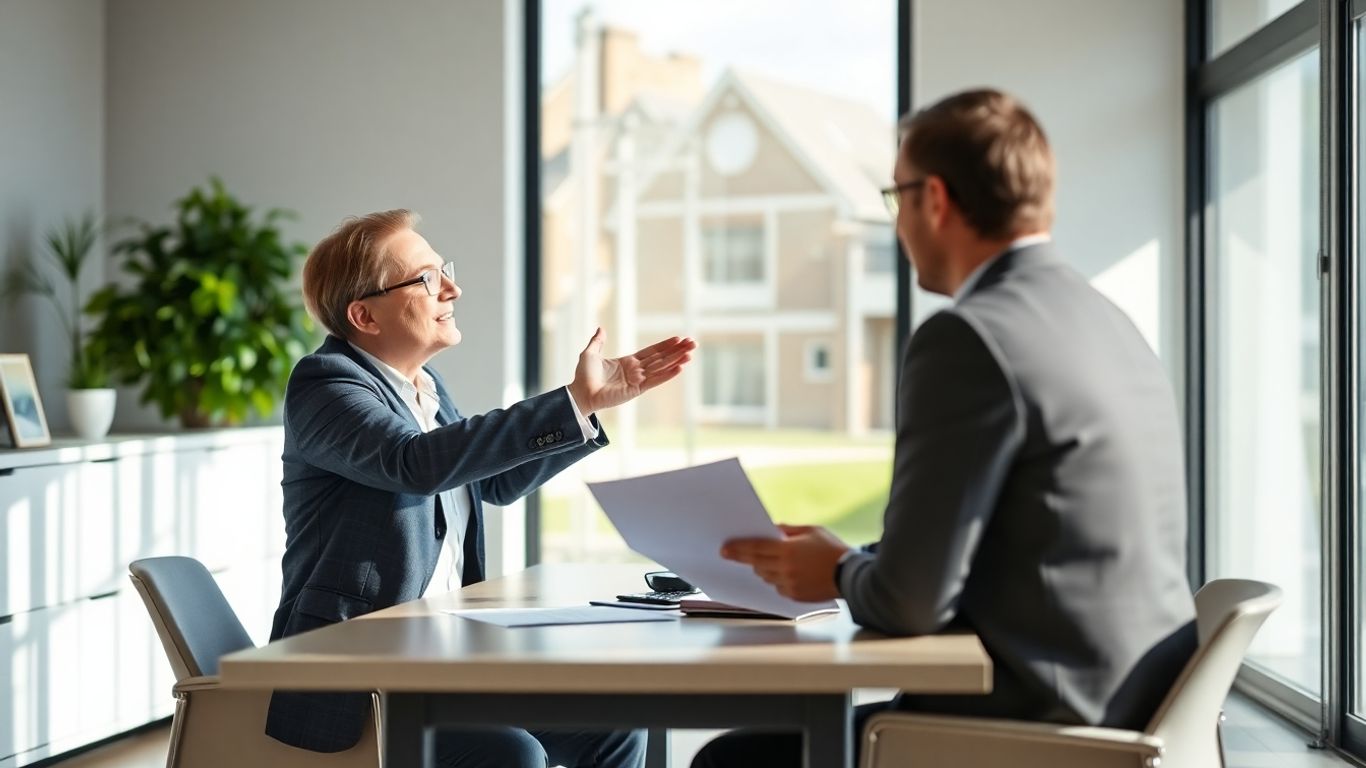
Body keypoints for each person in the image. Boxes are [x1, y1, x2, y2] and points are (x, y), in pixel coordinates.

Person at [694, 88, 1197, 767]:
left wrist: (840, 572)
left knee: (734, 762)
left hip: (1033, 724)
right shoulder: (1107, 318)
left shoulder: (968, 338)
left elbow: (910, 606)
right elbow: (1002, 542)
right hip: (1124, 705)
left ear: (932, 199)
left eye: (894, 196)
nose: (896, 222)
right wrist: (852, 560)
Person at [263, 209, 695, 768]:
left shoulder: (425, 388)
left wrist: (584, 412)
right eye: (425, 279)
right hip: (359, 677)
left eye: (443, 269)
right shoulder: (325, 385)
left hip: (441, 662)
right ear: (364, 315)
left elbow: (494, 482)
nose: (452, 287)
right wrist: (571, 401)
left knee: (611, 726)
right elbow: (414, 463)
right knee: (510, 754)